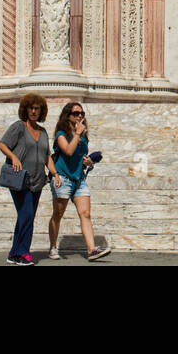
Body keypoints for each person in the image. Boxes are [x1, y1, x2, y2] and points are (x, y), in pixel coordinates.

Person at [0, 94, 60, 265]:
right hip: (20, 178)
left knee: (26, 217)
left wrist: (55, 173)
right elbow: (2, 144)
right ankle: (23, 253)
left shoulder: (43, 131)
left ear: (41, 111)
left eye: (37, 108)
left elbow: (47, 155)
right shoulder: (19, 127)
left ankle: (13, 253)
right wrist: (14, 157)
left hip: (38, 180)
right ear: (25, 109)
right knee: (26, 214)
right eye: (31, 108)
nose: (33, 111)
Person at [47, 102, 109, 262]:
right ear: (67, 116)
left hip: (79, 180)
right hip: (63, 178)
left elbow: (78, 158)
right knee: (58, 214)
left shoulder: (82, 136)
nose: (80, 116)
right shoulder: (61, 134)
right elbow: (67, 151)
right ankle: (53, 246)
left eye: (82, 113)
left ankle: (91, 250)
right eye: (76, 113)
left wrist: (88, 162)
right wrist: (76, 134)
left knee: (85, 214)